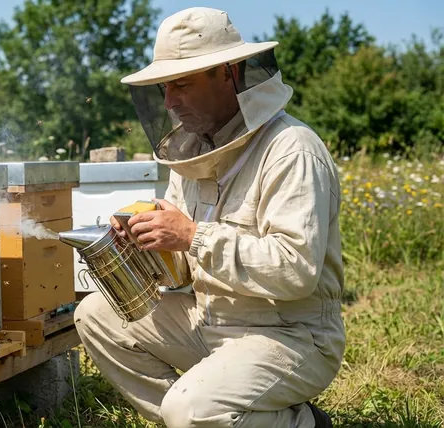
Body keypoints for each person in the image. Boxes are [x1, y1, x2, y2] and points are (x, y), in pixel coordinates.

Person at [74, 6, 345, 428]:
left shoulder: (292, 149)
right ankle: (206, 416)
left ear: (227, 74)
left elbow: (297, 271)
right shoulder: (193, 155)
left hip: (290, 335)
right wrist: (145, 243)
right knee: (96, 314)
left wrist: (193, 235)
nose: (169, 102)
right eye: (164, 87)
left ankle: (297, 424)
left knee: (190, 410)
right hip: (209, 321)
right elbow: (181, 273)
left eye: (182, 84)